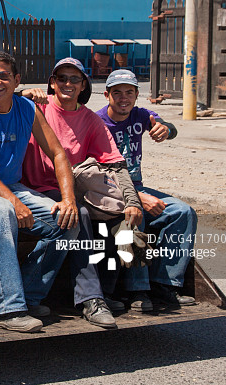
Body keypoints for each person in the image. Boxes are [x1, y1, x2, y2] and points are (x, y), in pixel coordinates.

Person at [0, 51, 80, 333]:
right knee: (2, 211)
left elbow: (58, 153)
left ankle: (30, 294)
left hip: (13, 187)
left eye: (3, 76)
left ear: (16, 79)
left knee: (68, 222)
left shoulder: (27, 109)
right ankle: (7, 309)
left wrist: (68, 199)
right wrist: (13, 201)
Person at [21, 57, 143, 327]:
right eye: (61, 78)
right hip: (36, 190)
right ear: (52, 83)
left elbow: (114, 162)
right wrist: (22, 94)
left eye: (74, 79)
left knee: (122, 218)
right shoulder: (36, 108)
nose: (67, 83)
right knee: (81, 215)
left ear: (83, 84)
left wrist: (133, 202)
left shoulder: (89, 120)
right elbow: (0, 101)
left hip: (73, 191)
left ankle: (124, 290)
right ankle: (91, 299)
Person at [96, 69, 197, 307]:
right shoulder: (98, 123)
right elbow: (100, 174)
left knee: (182, 212)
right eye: (117, 93)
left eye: (129, 92)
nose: (124, 98)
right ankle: (136, 290)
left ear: (137, 95)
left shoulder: (140, 115)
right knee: (135, 213)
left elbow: (167, 126)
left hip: (138, 186)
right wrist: (138, 198)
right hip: (108, 190)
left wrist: (165, 129)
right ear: (107, 95)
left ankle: (166, 284)